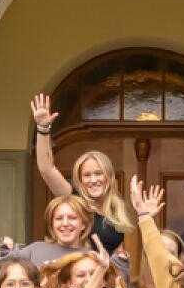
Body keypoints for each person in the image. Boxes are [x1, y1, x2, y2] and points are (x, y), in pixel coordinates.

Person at [30, 94, 137, 259]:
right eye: (87, 175)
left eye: (98, 173)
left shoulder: (117, 209)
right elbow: (46, 169)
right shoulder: (74, 199)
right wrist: (43, 128)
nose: (93, 180)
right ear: (79, 180)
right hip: (77, 276)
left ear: (108, 177)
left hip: (103, 278)